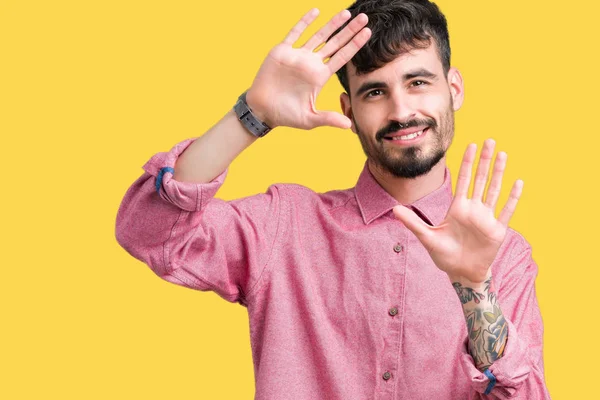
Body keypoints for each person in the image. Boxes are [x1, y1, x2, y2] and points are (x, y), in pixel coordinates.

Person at [115, 0, 551, 398]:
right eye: (375, 92)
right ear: (348, 108)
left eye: (417, 82)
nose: (400, 111)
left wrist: (475, 288)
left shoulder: (504, 256)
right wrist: (253, 115)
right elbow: (149, 231)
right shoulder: (285, 225)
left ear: (453, 88)